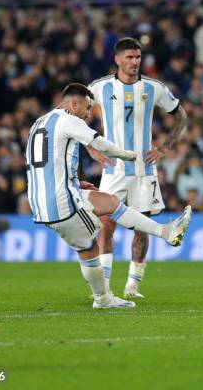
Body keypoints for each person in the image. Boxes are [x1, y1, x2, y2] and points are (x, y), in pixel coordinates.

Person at [26, 83, 192, 309]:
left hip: (43, 200)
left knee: (111, 203)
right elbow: (99, 142)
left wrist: (74, 182)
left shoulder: (39, 123)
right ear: (74, 103)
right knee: (89, 249)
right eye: (87, 108)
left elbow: (43, 165)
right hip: (60, 202)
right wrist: (127, 155)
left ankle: (167, 232)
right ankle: (103, 299)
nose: (88, 114)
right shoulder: (68, 119)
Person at [88, 38, 188, 299]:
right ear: (117, 59)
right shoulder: (100, 87)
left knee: (142, 228)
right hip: (113, 170)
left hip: (144, 171)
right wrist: (91, 147)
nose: (135, 62)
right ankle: (105, 286)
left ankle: (132, 286)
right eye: (130, 57)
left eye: (138, 57)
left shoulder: (153, 88)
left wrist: (164, 147)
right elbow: (74, 115)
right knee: (107, 225)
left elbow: (181, 115)